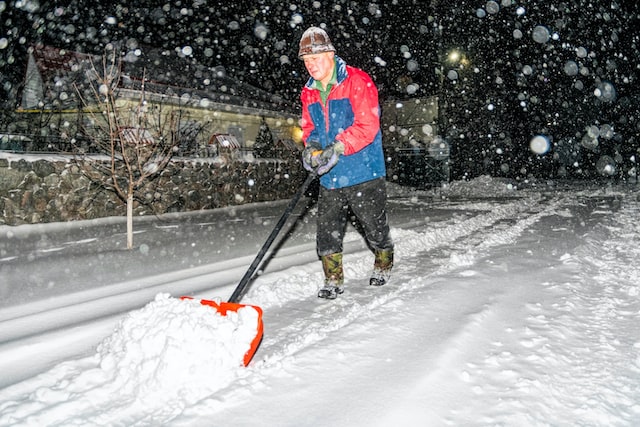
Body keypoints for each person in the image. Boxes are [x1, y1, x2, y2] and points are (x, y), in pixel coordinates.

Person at [298, 26, 394, 299]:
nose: (311, 65)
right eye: (306, 61)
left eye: (315, 58)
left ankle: (384, 262)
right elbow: (310, 128)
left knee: (374, 227)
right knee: (326, 231)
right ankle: (333, 279)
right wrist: (312, 148)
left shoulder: (357, 81)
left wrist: (338, 146)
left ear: (331, 54)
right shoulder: (309, 92)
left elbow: (367, 125)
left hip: (363, 170)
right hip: (330, 174)